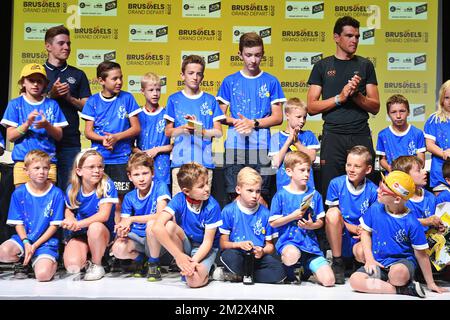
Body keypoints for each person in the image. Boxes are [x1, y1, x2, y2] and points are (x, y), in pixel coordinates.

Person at [307, 16, 380, 199]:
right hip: (333, 136)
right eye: (349, 35)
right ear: (336, 37)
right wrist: (340, 98)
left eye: (357, 36)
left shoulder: (365, 65)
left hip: (360, 134)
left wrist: (356, 95)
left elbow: (375, 106)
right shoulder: (322, 66)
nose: (354, 40)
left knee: (366, 191)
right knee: (330, 191)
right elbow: (311, 107)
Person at [349, 171, 446, 297]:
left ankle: (391, 283)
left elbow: (421, 255)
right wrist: (369, 259)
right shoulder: (375, 208)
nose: (378, 191)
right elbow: (365, 233)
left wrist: (431, 283)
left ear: (397, 199)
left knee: (397, 275)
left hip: (402, 264)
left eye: (383, 191)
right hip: (379, 262)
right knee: (355, 281)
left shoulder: (412, 222)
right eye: (380, 186)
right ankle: (401, 290)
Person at [217, 32, 286, 205]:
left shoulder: (272, 81)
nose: (253, 60)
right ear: (240, 54)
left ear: (262, 54)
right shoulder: (229, 81)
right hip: (234, 147)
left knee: (261, 196)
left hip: (263, 147)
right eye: (248, 55)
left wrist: (253, 123)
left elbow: (278, 117)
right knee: (236, 196)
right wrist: (239, 122)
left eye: (257, 55)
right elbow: (219, 116)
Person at [80, 61, 141, 220]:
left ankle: (118, 237)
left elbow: (136, 128)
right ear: (101, 80)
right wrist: (103, 139)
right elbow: (88, 132)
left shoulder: (127, 98)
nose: (119, 82)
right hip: (101, 160)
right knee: (101, 201)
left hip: (122, 159)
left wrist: (116, 137)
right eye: (114, 79)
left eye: (121, 78)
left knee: (120, 203)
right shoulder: (93, 102)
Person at [269, 151, 335, 287]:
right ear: (289, 171)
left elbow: (320, 222)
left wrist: (311, 225)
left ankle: (307, 270)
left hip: (310, 245)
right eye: (302, 170)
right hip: (289, 242)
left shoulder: (314, 194)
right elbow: (273, 223)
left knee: (329, 281)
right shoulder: (280, 195)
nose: (306, 174)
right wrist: (292, 216)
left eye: (308, 170)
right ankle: (291, 269)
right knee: (292, 254)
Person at [152, 162, 222, 288]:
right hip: (186, 244)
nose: (207, 188)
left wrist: (192, 263)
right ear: (186, 191)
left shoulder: (212, 206)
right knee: (168, 226)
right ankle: (182, 261)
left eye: (207, 183)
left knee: (193, 282)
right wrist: (178, 256)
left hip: (204, 248)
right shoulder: (179, 199)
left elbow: (207, 242)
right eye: (201, 186)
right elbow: (157, 227)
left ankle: (208, 268)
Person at [164, 55, 224, 196]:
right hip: (180, 163)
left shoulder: (210, 100)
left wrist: (200, 130)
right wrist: (184, 129)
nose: (195, 77)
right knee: (179, 207)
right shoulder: (173, 99)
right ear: (182, 75)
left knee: (202, 206)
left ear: (202, 76)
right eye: (190, 73)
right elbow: (168, 132)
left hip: (204, 163)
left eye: (198, 74)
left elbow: (218, 132)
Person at [0, 150, 64, 281]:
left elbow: (54, 226)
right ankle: (25, 261)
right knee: (3, 252)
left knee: (43, 276)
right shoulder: (19, 193)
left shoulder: (56, 193)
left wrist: (34, 246)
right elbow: (18, 222)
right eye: (36, 168)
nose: (41, 172)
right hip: (24, 239)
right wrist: (26, 242)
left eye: (45, 168)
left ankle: (47, 261)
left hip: (46, 242)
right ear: (26, 171)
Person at [214, 167, 286, 284]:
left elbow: (270, 246)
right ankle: (242, 272)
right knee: (231, 258)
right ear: (238, 189)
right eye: (250, 190)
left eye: (258, 191)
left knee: (280, 272)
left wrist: (262, 251)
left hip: (257, 256)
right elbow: (223, 244)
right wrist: (239, 245)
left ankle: (240, 275)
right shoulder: (228, 211)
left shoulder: (266, 214)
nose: (255, 195)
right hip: (237, 252)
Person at [1, 63, 68, 186]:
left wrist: (46, 125)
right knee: (23, 201)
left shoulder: (52, 105)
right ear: (23, 83)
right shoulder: (15, 104)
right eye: (31, 80)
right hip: (23, 162)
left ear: (45, 84)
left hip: (48, 162)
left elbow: (59, 136)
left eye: (39, 81)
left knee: (47, 201)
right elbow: (10, 137)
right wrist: (27, 124)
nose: (35, 84)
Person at [44, 25, 91, 190]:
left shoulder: (78, 74)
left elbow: (88, 107)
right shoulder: (37, 74)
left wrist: (69, 98)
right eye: (61, 43)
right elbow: (28, 104)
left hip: (70, 141)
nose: (66, 47)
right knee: (43, 190)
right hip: (43, 141)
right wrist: (51, 95)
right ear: (48, 46)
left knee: (70, 190)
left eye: (68, 44)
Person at [111, 152, 171, 281]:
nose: (141, 179)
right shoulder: (129, 197)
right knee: (118, 248)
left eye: (145, 173)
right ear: (130, 177)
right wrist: (122, 229)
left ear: (152, 173)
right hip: (138, 238)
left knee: (152, 225)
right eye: (136, 175)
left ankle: (154, 263)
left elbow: (161, 215)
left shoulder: (160, 186)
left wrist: (132, 219)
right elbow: (124, 221)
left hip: (158, 240)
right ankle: (141, 261)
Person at [61, 149, 118, 281]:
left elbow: (103, 215)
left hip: (101, 232)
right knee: (72, 266)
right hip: (80, 232)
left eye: (100, 166)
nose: (97, 170)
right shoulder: (73, 188)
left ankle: (98, 264)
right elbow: (69, 208)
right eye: (91, 167)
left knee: (95, 227)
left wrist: (77, 224)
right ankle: (87, 258)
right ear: (79, 171)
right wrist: (69, 218)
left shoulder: (107, 185)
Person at [325, 145, 378, 284]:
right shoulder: (336, 184)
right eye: (349, 165)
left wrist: (364, 231)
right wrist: (352, 228)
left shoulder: (373, 190)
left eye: (357, 166)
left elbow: (374, 220)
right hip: (341, 233)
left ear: (368, 169)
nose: (351, 169)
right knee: (332, 213)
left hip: (361, 236)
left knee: (362, 253)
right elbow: (333, 218)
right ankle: (337, 262)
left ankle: (356, 264)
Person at [269, 97, 319, 191]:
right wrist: (288, 141)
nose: (302, 121)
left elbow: (312, 158)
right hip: (284, 188)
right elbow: (275, 163)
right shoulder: (276, 137)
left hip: (306, 188)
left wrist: (297, 142)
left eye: (304, 117)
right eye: (298, 117)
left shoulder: (309, 135)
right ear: (287, 115)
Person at [134, 72, 172, 186]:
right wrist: (142, 154)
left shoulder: (167, 114)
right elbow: (130, 145)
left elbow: (174, 145)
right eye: (151, 90)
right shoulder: (137, 115)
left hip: (162, 166)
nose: (155, 94)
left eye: (158, 90)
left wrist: (156, 150)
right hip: (141, 165)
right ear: (142, 91)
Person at [376, 94, 426, 172]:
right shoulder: (383, 135)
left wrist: (410, 172)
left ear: (408, 112)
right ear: (388, 114)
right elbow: (382, 159)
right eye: (393, 112)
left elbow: (421, 161)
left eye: (402, 111)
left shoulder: (417, 133)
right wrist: (390, 169)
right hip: (392, 179)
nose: (398, 116)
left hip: (413, 180)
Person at [392, 156, 442, 232]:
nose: (425, 172)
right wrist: (426, 221)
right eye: (419, 170)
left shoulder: (430, 197)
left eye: (422, 168)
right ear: (405, 177)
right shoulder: (399, 201)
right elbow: (400, 222)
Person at [424, 80, 450, 194]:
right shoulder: (434, 119)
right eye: (447, 98)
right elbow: (429, 145)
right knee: (442, 209)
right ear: (441, 99)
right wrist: (444, 153)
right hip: (440, 173)